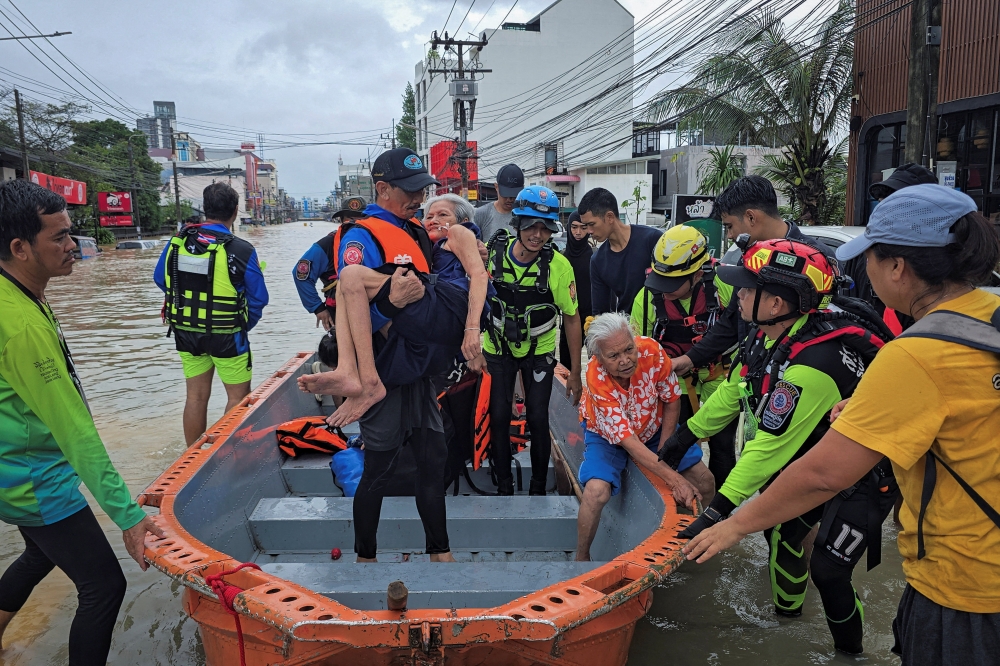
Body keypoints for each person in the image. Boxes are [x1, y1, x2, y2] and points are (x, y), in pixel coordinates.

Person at [683, 185, 1000, 665]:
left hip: (966, 587)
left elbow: (822, 474)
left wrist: (731, 524)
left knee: (827, 568)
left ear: (897, 267)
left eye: (869, 255)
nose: (865, 268)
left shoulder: (915, 355)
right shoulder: (989, 319)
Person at [658, 237, 896, 655]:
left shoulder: (812, 366)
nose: (737, 294)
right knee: (781, 533)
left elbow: (767, 448)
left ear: (775, 303)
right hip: (809, 460)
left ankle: (851, 655)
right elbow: (733, 391)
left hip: (861, 476)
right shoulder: (768, 335)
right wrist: (682, 439)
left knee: (829, 571)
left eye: (747, 289)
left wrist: (718, 513)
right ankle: (786, 627)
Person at [0, 180, 164, 664]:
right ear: (19, 248)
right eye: (59, 237)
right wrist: (129, 517)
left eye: (70, 233)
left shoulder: (16, 294)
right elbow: (76, 432)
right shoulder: (22, 327)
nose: (73, 245)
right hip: (34, 482)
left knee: (39, 554)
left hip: (13, 467)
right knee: (104, 586)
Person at [312, 147, 456, 563]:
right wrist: (391, 304)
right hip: (384, 371)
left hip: (419, 369)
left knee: (433, 459)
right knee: (378, 468)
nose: (418, 198)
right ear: (383, 189)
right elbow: (353, 321)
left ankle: (440, 551)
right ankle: (366, 555)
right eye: (409, 190)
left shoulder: (417, 232)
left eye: (422, 189)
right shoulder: (360, 239)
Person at [297, 192, 489, 424]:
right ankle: (349, 372)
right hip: (428, 315)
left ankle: (364, 379)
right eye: (429, 216)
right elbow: (301, 272)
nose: (434, 220)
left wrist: (472, 331)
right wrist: (318, 308)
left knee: (351, 276)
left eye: (443, 215)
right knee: (346, 281)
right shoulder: (422, 241)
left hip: (445, 307)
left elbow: (479, 276)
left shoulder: (457, 232)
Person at [575, 313, 714, 561]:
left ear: (634, 341)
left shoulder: (651, 350)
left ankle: (707, 541)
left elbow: (671, 400)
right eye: (614, 356)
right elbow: (629, 443)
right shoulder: (596, 376)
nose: (625, 360)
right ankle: (582, 556)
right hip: (608, 436)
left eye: (629, 349)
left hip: (652, 424)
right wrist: (675, 480)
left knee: (705, 481)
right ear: (599, 357)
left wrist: (664, 452)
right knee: (596, 492)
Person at [670, 176, 834, 377]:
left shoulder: (818, 260)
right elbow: (732, 321)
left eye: (729, 226)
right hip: (754, 374)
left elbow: (829, 328)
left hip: (797, 378)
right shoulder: (750, 258)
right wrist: (689, 359)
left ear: (751, 217)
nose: (729, 236)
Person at [484, 185, 583, 496]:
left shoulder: (559, 267)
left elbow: (572, 317)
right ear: (517, 223)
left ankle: (538, 488)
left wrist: (576, 372)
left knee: (538, 417)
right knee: (499, 415)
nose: (537, 235)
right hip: (497, 348)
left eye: (545, 229)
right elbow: (472, 298)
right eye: (530, 226)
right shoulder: (493, 254)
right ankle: (503, 485)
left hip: (539, 350)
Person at [154, 182, 269, 446]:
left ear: (205, 209)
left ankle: (192, 457)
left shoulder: (177, 243)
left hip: (186, 332)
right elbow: (259, 299)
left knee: (195, 397)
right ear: (235, 211)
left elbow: (161, 279)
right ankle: (225, 456)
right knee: (238, 398)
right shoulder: (241, 250)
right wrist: (241, 323)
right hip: (228, 335)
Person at [630, 225, 738, 485]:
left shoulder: (725, 285)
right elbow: (637, 351)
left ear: (699, 273)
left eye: (673, 283)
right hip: (674, 380)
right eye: (660, 280)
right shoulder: (646, 299)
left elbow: (740, 330)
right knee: (679, 445)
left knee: (723, 446)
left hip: (719, 376)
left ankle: (719, 506)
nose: (664, 289)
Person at [578, 187, 661, 317]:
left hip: (662, 323)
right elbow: (600, 313)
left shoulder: (652, 240)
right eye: (586, 226)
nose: (589, 231)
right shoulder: (598, 261)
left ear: (610, 217)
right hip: (628, 325)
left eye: (592, 224)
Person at [292, 208, 367, 331]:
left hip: (372, 307)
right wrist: (318, 308)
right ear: (342, 221)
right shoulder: (327, 244)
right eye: (350, 218)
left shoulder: (375, 240)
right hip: (338, 310)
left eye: (361, 218)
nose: (355, 223)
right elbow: (301, 274)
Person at [559, 211, 593, 367]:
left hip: (592, 319)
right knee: (567, 367)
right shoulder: (562, 258)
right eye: (574, 227)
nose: (578, 232)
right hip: (569, 316)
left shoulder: (595, 257)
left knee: (597, 366)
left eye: (583, 228)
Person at [474, 163, 524, 241]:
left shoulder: (525, 215)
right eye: (505, 194)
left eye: (514, 195)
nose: (510, 199)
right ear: (496, 187)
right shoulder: (481, 215)